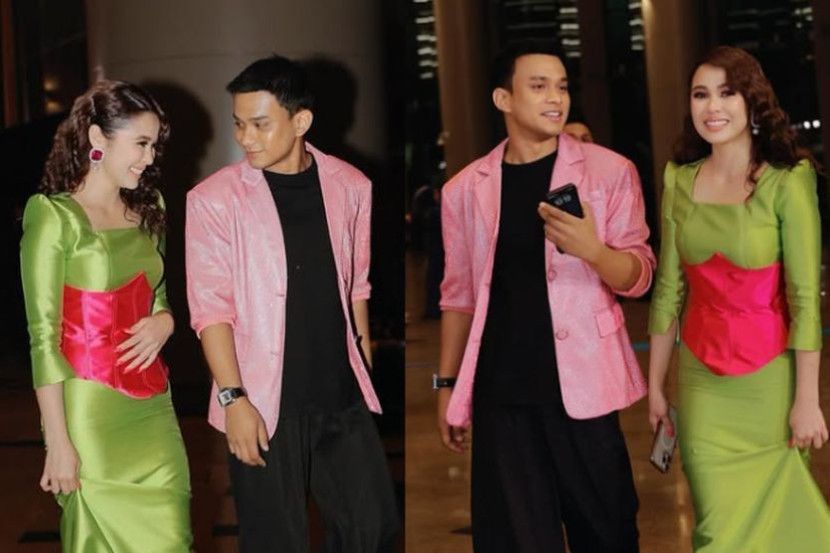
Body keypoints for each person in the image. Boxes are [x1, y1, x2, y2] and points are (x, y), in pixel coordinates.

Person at [436, 40, 655, 553]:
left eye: (561, 86)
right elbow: (459, 296)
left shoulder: (609, 172)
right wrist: (446, 385)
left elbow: (640, 275)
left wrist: (594, 251)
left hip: (585, 389)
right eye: (538, 86)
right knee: (513, 540)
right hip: (502, 395)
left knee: (608, 534)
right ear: (503, 99)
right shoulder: (464, 189)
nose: (556, 98)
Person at [185, 55, 398, 552]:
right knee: (276, 542)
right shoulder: (214, 199)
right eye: (239, 123)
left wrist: (363, 371)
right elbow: (211, 310)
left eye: (260, 124)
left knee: (373, 529)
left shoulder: (351, 185)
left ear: (301, 121)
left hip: (341, 395)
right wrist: (234, 400)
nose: (246, 137)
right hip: (263, 402)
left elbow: (357, 288)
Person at [648, 45, 830, 552]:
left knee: (783, 528)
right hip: (702, 386)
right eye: (700, 94)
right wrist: (656, 386)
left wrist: (808, 400)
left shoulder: (788, 181)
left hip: (771, 385)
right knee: (717, 529)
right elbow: (668, 291)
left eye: (727, 93)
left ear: (752, 102)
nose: (712, 106)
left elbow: (804, 301)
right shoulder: (677, 180)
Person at [19, 80, 192, 551]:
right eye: (141, 143)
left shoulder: (151, 207)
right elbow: (42, 338)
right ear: (98, 138)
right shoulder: (53, 216)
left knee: (173, 540)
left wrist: (166, 321)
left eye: (154, 145)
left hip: (153, 409)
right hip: (89, 414)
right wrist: (58, 442)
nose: (149, 158)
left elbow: (159, 295)